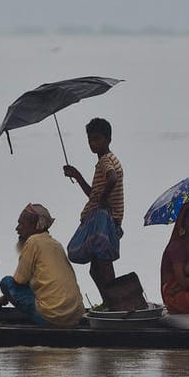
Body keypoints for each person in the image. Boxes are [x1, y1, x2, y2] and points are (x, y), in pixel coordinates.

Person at [63, 117, 124, 298]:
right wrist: (77, 175)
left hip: (102, 219)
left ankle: (113, 302)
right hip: (104, 216)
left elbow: (111, 179)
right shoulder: (108, 159)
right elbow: (94, 194)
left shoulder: (105, 161)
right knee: (96, 268)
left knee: (103, 264)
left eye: (97, 139)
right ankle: (110, 301)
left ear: (108, 139)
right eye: (90, 140)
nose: (93, 143)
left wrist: (104, 199)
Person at [0, 203, 86, 327]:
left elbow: (20, 280)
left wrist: (5, 296)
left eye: (21, 224)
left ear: (36, 226)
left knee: (7, 282)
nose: (17, 229)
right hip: (75, 315)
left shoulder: (33, 241)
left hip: (51, 317)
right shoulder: (56, 244)